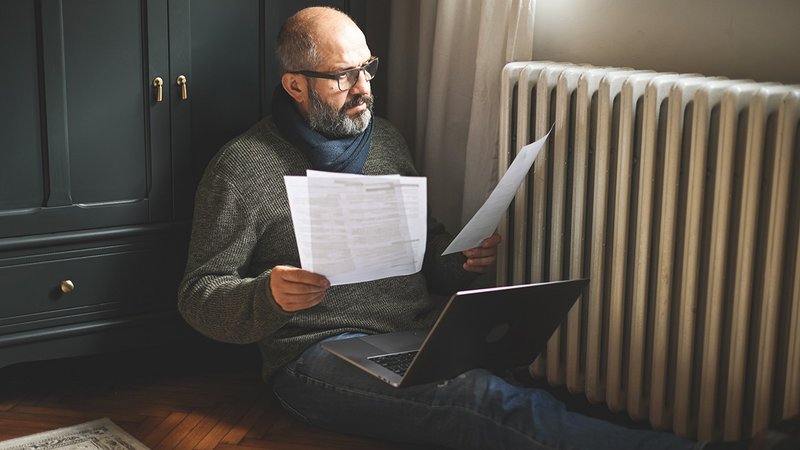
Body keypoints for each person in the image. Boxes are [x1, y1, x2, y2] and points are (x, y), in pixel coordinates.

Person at [177, 6, 793, 450]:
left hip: (415, 335)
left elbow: (423, 248)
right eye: (344, 77)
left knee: (512, 388)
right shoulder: (243, 166)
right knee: (483, 404)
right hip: (316, 354)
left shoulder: (386, 140)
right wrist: (268, 293)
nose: (364, 90)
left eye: (368, 69)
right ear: (295, 85)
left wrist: (458, 261)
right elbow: (199, 295)